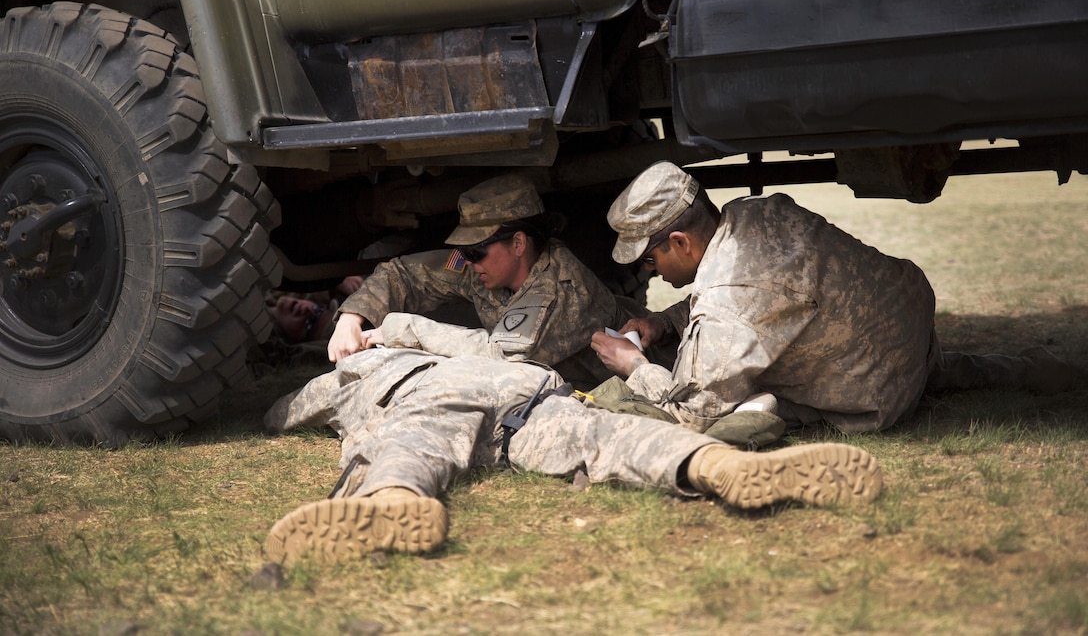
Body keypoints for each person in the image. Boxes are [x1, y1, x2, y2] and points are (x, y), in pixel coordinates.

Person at [591, 161, 1084, 436]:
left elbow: (694, 408)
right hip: (906, 326)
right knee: (954, 372)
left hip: (874, 391)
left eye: (650, 259)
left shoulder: (729, 302)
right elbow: (754, 290)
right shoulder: (752, 214)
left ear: (681, 243)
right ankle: (1043, 368)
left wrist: (635, 363)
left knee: (739, 409)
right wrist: (666, 323)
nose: (649, 269)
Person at [263, 345, 883, 563]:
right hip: (525, 394)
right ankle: (722, 467)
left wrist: (326, 380)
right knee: (604, 435)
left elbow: (281, 413)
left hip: (430, 399)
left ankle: (391, 505)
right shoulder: (456, 347)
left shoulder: (357, 370)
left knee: (410, 443)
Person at [322, 173, 651, 391]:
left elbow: (497, 359)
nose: (467, 260)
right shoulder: (488, 265)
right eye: (465, 250)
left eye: (475, 250)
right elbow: (403, 274)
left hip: (629, 393)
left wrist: (401, 331)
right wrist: (351, 319)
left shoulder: (558, 291)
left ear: (518, 244)